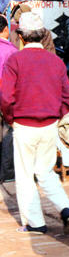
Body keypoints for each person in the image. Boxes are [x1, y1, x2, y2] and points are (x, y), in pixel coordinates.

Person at [0, 11, 69, 234]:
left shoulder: (16, 59)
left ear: (22, 36)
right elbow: (67, 96)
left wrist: (11, 118)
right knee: (45, 171)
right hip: (49, 124)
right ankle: (65, 209)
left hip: (24, 124)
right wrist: (57, 114)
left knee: (25, 175)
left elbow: (5, 96)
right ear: (43, 35)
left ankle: (36, 223)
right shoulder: (55, 61)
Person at [0, 15, 17, 183]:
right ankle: (6, 173)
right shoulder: (12, 50)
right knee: (7, 135)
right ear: (6, 30)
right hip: (6, 97)